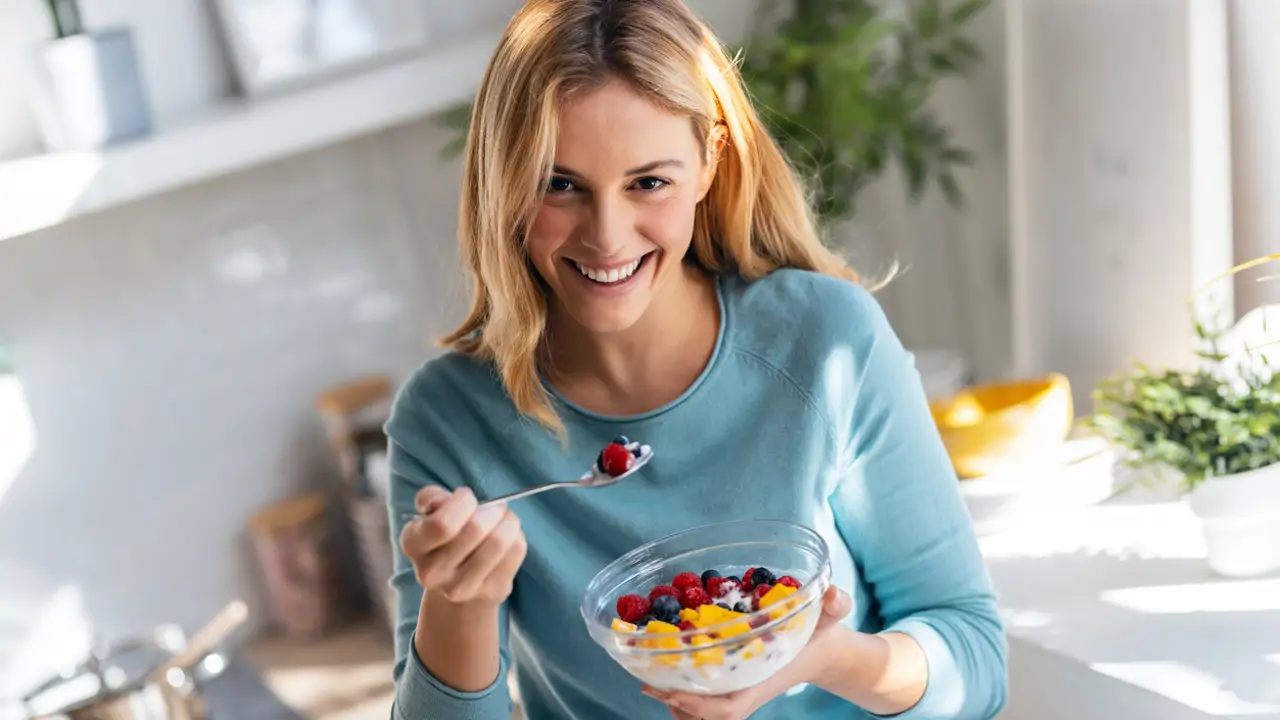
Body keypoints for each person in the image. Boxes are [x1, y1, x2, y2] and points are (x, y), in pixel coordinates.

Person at [386, 0, 1008, 718]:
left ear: (710, 159)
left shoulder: (825, 342)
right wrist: (458, 604)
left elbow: (976, 662)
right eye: (560, 185)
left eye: (648, 182)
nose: (608, 239)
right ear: (503, 181)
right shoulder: (449, 420)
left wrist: (828, 657)